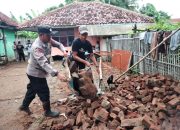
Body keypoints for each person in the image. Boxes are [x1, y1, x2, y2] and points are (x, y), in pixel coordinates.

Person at [19, 25, 67, 117]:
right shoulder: (36, 47)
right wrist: (57, 73)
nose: (50, 37)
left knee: (32, 90)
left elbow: (59, 44)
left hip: (36, 71)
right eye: (48, 35)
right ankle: (47, 112)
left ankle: (24, 106)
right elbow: (44, 63)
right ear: (41, 35)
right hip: (35, 73)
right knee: (44, 91)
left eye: (51, 35)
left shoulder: (47, 39)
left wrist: (64, 51)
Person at [71, 25, 99, 94]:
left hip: (82, 62)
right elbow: (74, 56)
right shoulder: (76, 42)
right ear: (79, 33)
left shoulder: (88, 44)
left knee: (84, 77)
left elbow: (91, 56)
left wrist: (97, 66)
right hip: (74, 62)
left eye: (86, 34)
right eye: (82, 34)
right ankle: (77, 93)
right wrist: (85, 61)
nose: (84, 36)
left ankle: (89, 91)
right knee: (76, 77)